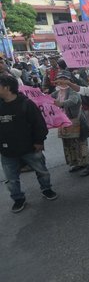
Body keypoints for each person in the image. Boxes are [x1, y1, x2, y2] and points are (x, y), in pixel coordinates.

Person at [0, 74, 57, 213]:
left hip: (30, 147)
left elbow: (39, 125)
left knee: (42, 171)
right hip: (7, 151)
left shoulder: (26, 104)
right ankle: (18, 199)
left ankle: (46, 189)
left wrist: (39, 142)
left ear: (7, 87)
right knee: (11, 179)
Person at [52, 71, 89, 176]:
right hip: (65, 122)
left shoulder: (72, 89)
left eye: (64, 79)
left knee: (81, 143)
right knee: (70, 144)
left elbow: (74, 100)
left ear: (69, 81)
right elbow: (49, 98)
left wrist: (61, 103)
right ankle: (77, 163)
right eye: (59, 79)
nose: (61, 82)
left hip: (77, 121)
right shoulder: (57, 92)